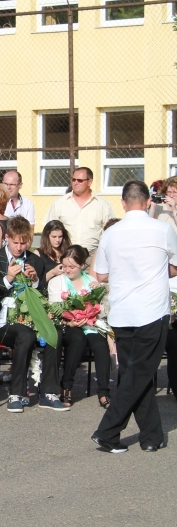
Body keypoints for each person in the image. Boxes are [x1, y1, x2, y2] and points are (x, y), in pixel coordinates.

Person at [91, 180, 177, 454]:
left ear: (123, 203)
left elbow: (101, 274)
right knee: (138, 375)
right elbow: (175, 267)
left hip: (122, 313)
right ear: (149, 202)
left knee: (133, 374)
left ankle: (151, 436)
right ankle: (107, 431)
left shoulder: (111, 234)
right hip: (151, 312)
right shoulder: (163, 229)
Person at [0, 216, 70, 413]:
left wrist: (36, 280)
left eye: (24, 243)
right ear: (7, 238)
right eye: (15, 242)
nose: (19, 247)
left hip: (31, 316)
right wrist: (8, 279)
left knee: (54, 331)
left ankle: (49, 393)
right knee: (25, 335)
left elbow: (44, 293)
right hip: (2, 322)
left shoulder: (35, 260)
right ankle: (17, 394)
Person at [47, 245, 112, 409]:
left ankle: (104, 391)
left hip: (90, 323)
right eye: (65, 266)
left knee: (100, 345)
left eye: (72, 267)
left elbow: (102, 309)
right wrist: (70, 321)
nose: (67, 270)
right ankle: (66, 386)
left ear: (82, 265)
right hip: (68, 323)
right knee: (78, 340)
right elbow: (55, 309)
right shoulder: (57, 282)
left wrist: (102, 292)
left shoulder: (92, 282)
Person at [43, 167, 115, 255]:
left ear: (89, 182)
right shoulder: (59, 203)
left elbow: (111, 232)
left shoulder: (103, 205)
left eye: (80, 180)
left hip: (92, 256)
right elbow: (48, 230)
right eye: (73, 180)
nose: (75, 183)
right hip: (65, 255)